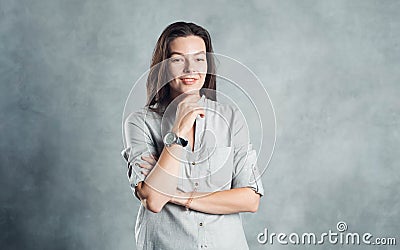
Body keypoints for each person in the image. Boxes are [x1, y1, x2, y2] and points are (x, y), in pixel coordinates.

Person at [121, 21, 264, 250]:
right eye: (178, 59)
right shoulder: (140, 123)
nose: (191, 69)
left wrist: (178, 197)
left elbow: (250, 198)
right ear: (164, 66)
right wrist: (176, 134)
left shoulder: (232, 118)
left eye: (199, 58)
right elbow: (155, 200)